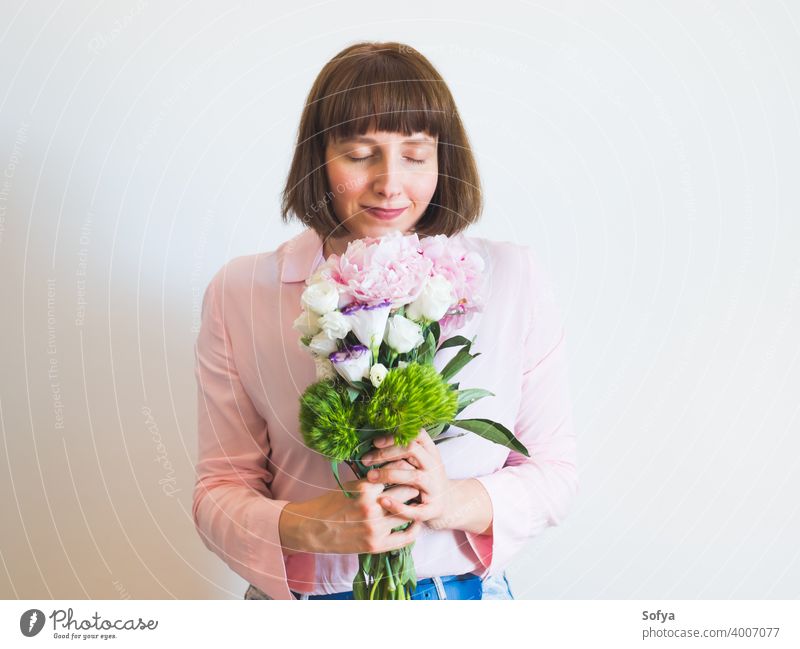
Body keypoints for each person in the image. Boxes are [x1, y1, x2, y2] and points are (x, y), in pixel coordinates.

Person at [192, 41, 578, 600]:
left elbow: (554, 474)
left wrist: (450, 501)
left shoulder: (509, 279)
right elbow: (219, 487)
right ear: (318, 160)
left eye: (416, 156)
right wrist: (309, 525)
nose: (390, 183)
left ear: (444, 161)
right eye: (359, 153)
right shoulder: (240, 292)